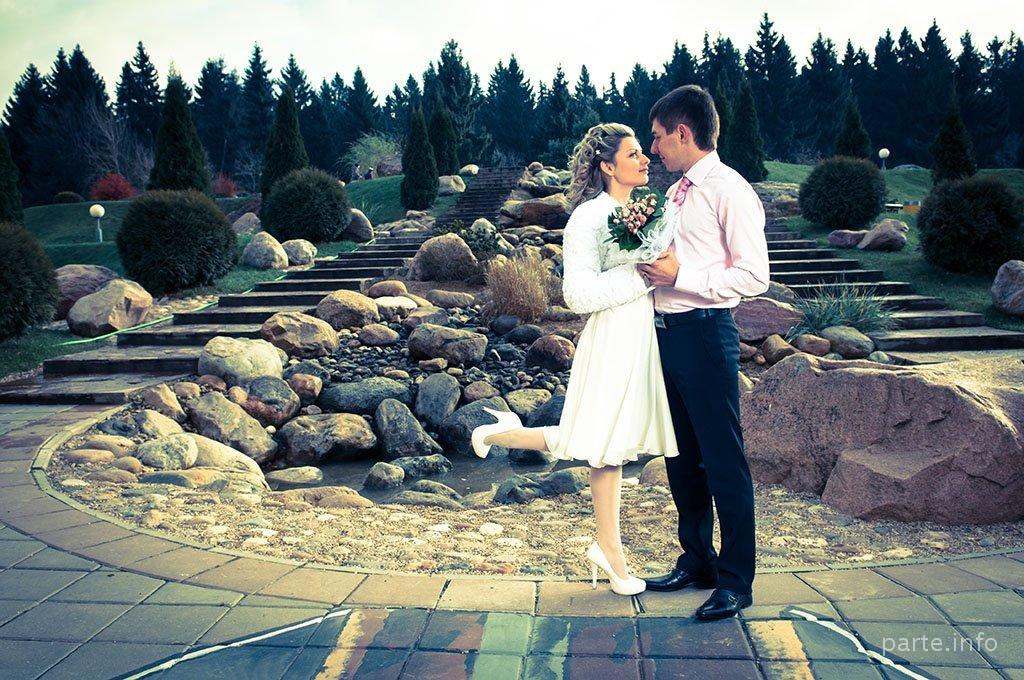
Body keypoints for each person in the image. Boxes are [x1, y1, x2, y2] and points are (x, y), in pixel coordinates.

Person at [470, 123, 679, 596]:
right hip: (611, 339)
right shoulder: (588, 217)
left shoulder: (646, 211)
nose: (645, 159)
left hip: (642, 336)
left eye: (643, 152)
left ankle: (502, 433)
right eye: (633, 154)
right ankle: (610, 553)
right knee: (604, 447)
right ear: (608, 166)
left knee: (605, 440)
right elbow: (576, 295)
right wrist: (643, 277)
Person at [637, 85, 770, 620]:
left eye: (658, 137)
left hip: (708, 333)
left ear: (683, 132)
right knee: (680, 457)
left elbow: (754, 275)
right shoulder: (674, 193)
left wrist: (681, 276)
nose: (653, 149)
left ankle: (736, 581)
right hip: (665, 333)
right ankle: (697, 560)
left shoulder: (729, 189)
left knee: (722, 459)